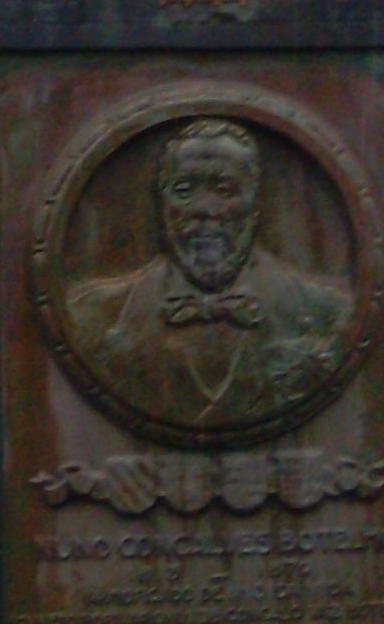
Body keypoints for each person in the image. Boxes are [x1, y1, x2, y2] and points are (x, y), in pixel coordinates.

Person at [60, 119, 356, 438]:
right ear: (163, 203)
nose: (204, 209)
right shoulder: (93, 317)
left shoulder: (328, 315)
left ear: (256, 204)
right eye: (184, 191)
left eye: (224, 190)